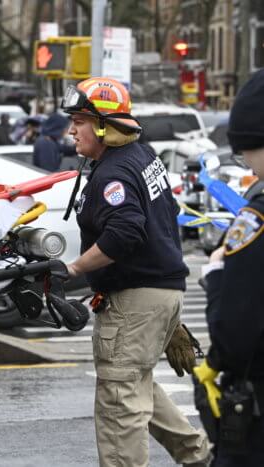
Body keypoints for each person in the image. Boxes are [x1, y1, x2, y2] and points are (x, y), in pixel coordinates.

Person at [62, 77, 212, 467]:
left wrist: (75, 268)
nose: (70, 130)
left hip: (136, 300)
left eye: (78, 120)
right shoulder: (142, 156)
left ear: (102, 125)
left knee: (119, 402)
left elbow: (126, 231)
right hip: (160, 293)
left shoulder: (114, 174)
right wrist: (164, 314)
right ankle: (201, 458)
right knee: (137, 386)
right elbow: (166, 219)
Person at [193, 69, 264, 466]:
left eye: (248, 155)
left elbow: (235, 334)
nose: (249, 169)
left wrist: (216, 278)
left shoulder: (255, 221)